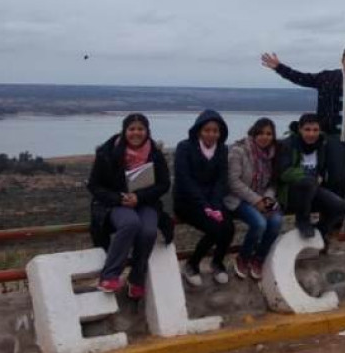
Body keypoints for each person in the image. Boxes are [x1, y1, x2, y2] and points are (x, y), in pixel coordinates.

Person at [260, 47, 345, 237]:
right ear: (342, 60)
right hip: (335, 137)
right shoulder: (328, 78)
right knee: (337, 180)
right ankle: (334, 220)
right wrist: (279, 67)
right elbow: (302, 78)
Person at [87, 113, 174, 299]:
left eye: (140, 129)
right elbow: (93, 185)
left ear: (147, 131)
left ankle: (136, 278)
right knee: (131, 224)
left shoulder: (155, 154)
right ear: (125, 131)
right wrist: (119, 198)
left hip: (144, 202)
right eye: (132, 129)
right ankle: (109, 276)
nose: (136, 133)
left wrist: (139, 197)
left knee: (149, 231)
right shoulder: (107, 152)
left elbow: (164, 184)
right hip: (113, 203)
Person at [174, 110, 236, 286]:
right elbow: (184, 179)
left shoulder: (222, 149)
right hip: (188, 202)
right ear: (199, 130)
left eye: (215, 131)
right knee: (215, 229)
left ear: (220, 132)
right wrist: (204, 206)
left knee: (229, 228)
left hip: (212, 201)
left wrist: (215, 205)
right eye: (207, 130)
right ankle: (192, 264)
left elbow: (221, 180)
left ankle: (217, 262)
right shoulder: (185, 147)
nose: (211, 134)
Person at [277, 114, 345, 245]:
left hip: (313, 191)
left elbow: (322, 168)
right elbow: (284, 173)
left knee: (341, 207)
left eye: (315, 130)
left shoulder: (321, 145)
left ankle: (320, 230)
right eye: (307, 130)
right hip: (291, 194)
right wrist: (308, 176)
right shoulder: (288, 144)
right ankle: (303, 221)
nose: (311, 134)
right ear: (300, 129)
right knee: (308, 182)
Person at [226, 118, 284, 280]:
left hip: (263, 197)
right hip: (239, 198)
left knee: (276, 221)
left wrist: (267, 199)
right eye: (261, 133)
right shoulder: (239, 151)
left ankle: (258, 258)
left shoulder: (272, 154)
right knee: (259, 223)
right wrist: (256, 201)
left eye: (269, 134)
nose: (264, 137)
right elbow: (233, 182)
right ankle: (243, 257)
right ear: (253, 133)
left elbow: (273, 182)